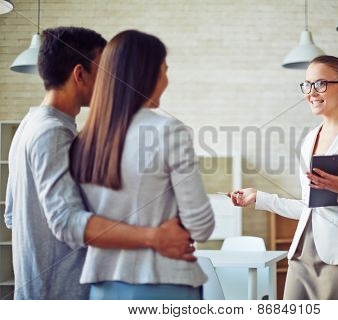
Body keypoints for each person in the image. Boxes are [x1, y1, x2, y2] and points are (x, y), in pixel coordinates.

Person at [4, 27, 196, 300]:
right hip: (61, 298)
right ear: (80, 74)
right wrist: (154, 237)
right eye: (105, 70)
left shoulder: (29, 125)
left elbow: (12, 216)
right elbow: (66, 221)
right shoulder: (52, 132)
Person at [228, 55, 338, 300]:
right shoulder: (309, 139)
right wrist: (258, 198)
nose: (311, 92)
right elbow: (309, 208)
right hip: (301, 256)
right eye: (307, 85)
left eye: (320, 84)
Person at [69, 30, 215, 300]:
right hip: (164, 283)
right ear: (147, 74)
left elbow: (78, 221)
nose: (166, 80)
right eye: (164, 70)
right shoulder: (168, 130)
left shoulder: (82, 141)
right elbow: (201, 226)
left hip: (101, 289)